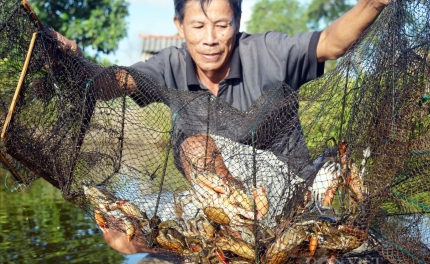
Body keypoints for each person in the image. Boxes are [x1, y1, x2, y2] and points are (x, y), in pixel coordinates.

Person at [51, 0, 389, 255]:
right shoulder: (169, 64)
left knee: (194, 147)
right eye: (198, 27)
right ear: (179, 26)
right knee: (120, 234)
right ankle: (229, 240)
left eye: (221, 25)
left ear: (238, 22)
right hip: (219, 202)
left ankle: (247, 237)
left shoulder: (267, 51)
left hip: (287, 194)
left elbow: (331, 42)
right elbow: (116, 82)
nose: (210, 40)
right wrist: (75, 65)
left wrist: (373, 3)